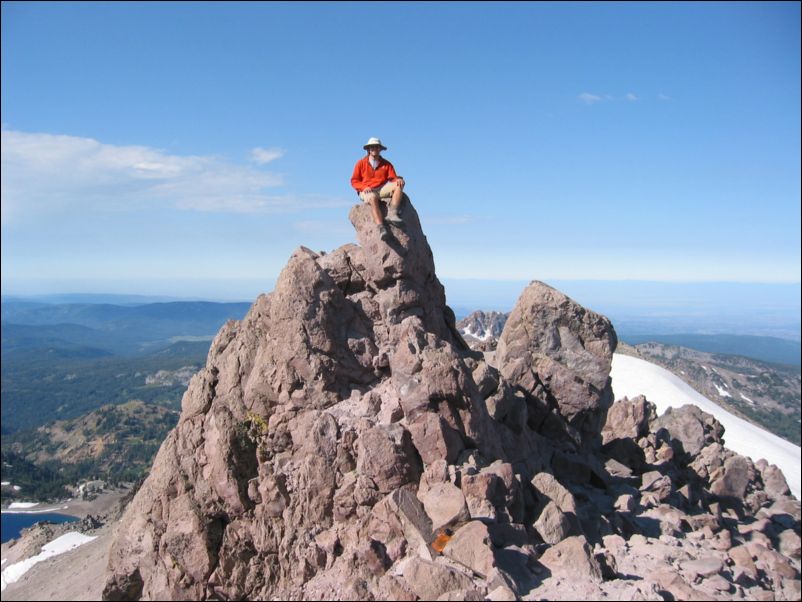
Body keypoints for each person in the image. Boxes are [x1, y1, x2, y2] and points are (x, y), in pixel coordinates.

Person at [350, 137, 406, 241]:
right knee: (372, 197)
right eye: (372, 147)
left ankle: (393, 214)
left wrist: (398, 179)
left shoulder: (386, 164)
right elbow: (354, 181)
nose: (374, 149)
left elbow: (393, 177)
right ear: (368, 149)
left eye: (376, 147)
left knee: (399, 184)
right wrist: (363, 187)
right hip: (366, 190)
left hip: (381, 188)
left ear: (380, 149)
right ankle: (381, 228)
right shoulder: (361, 163)